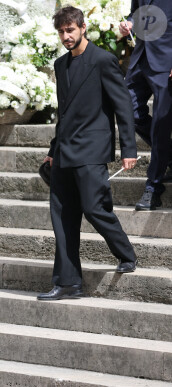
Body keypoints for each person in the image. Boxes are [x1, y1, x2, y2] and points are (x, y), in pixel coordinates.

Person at [38, 6, 138, 301]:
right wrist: (53, 150)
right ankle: (68, 283)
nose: (66, 36)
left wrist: (128, 149)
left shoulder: (103, 60)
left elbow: (123, 107)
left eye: (70, 30)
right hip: (65, 152)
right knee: (62, 217)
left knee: (95, 208)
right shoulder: (60, 65)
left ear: (83, 27)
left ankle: (125, 253)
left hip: (92, 150)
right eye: (61, 32)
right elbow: (64, 113)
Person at [119, 0, 172, 210]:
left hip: (166, 62)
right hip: (140, 59)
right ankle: (169, 155)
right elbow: (136, 13)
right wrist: (129, 24)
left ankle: (154, 188)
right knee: (126, 109)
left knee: (161, 124)